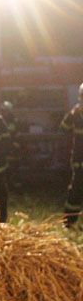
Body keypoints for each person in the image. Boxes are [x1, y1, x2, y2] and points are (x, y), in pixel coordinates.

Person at [60, 84, 83, 227]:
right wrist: (72, 115)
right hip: (79, 160)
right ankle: (69, 221)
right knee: (75, 190)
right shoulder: (75, 113)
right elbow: (63, 128)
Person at [0, 101, 21, 190]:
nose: (3, 112)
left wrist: (14, 143)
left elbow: (17, 134)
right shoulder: (0, 121)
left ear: (9, 111)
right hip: (4, 148)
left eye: (5, 111)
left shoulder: (14, 121)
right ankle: (7, 185)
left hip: (13, 148)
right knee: (4, 168)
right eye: (2, 111)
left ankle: (15, 185)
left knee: (14, 168)